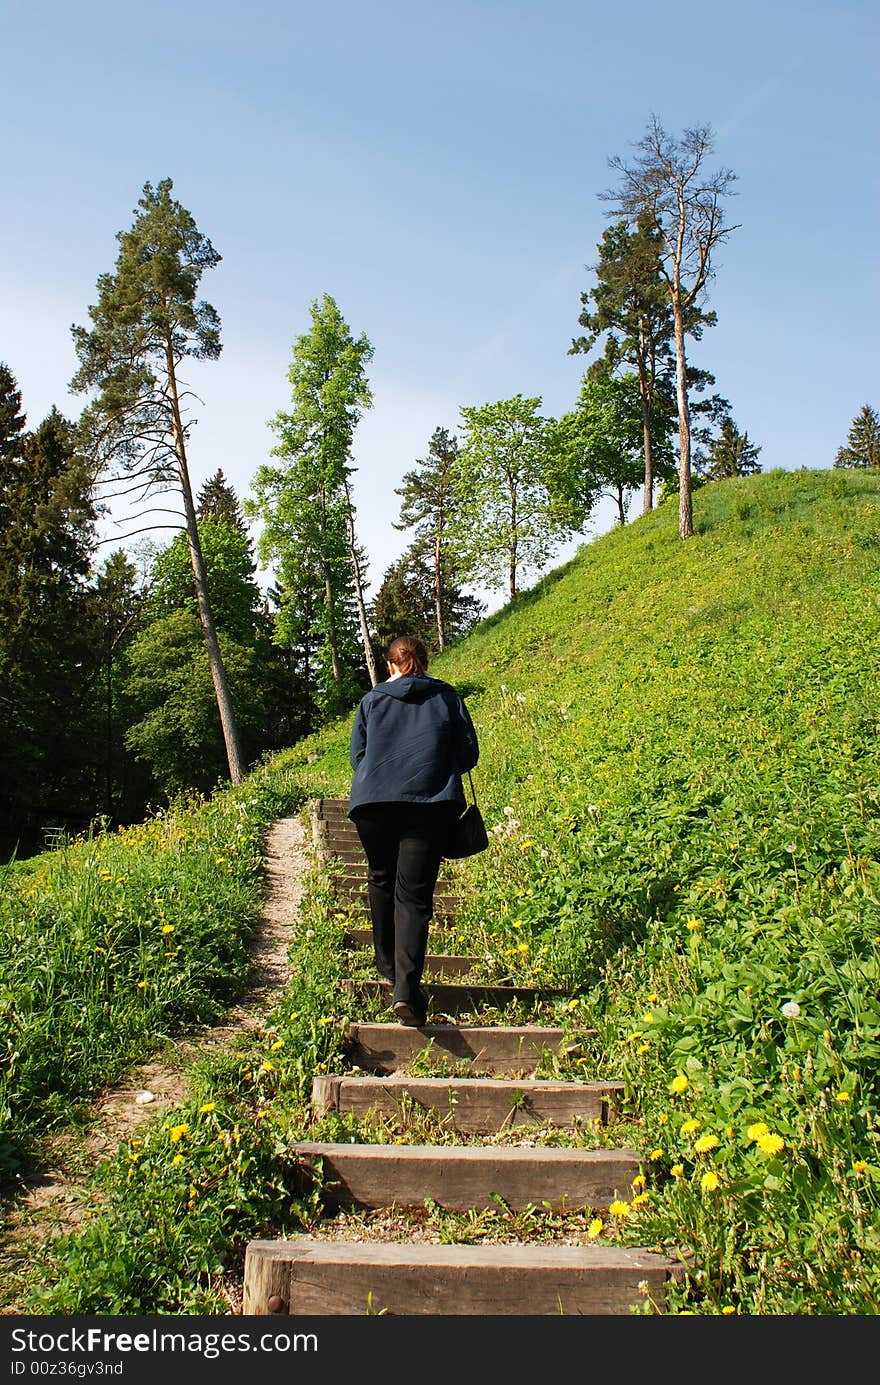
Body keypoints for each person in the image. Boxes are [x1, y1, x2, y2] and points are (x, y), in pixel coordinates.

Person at [348, 635, 479, 1026]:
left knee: (381, 878)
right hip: (427, 804)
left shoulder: (372, 700)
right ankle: (406, 990)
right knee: (414, 897)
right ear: (424, 661)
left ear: (391, 666)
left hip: (373, 803)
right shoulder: (446, 697)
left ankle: (386, 965)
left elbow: (358, 756)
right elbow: (468, 754)